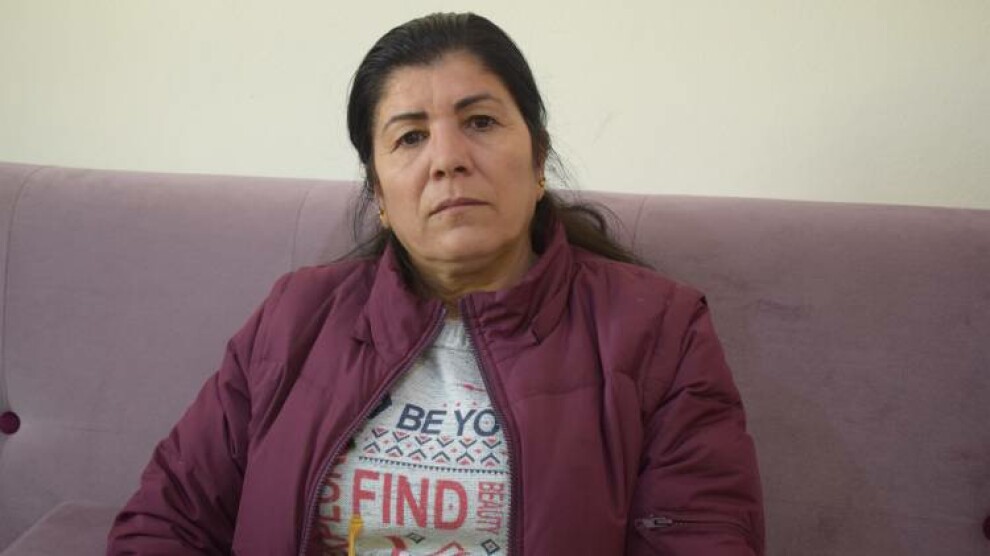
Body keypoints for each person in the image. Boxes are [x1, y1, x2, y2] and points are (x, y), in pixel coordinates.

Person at [107, 12, 764, 555]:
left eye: (480, 122)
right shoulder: (293, 317)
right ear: (379, 194)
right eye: (410, 137)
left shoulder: (659, 329)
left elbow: (702, 537)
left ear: (538, 158)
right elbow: (167, 522)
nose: (448, 159)